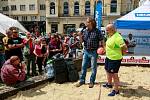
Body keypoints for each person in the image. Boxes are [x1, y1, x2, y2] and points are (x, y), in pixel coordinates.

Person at [76, 17, 104, 88]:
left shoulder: (97, 31)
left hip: (94, 52)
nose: (86, 23)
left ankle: (92, 81)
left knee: (93, 67)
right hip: (86, 51)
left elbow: (102, 40)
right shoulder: (85, 31)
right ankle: (82, 80)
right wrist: (80, 36)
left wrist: (103, 48)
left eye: (87, 22)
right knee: (83, 66)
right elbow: (82, 42)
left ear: (91, 23)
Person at [103, 24, 127, 96]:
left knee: (114, 74)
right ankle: (109, 84)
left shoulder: (118, 37)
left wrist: (122, 54)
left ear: (112, 30)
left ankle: (116, 90)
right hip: (109, 57)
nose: (106, 31)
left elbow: (124, 47)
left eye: (107, 30)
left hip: (115, 59)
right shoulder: (110, 35)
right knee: (107, 70)